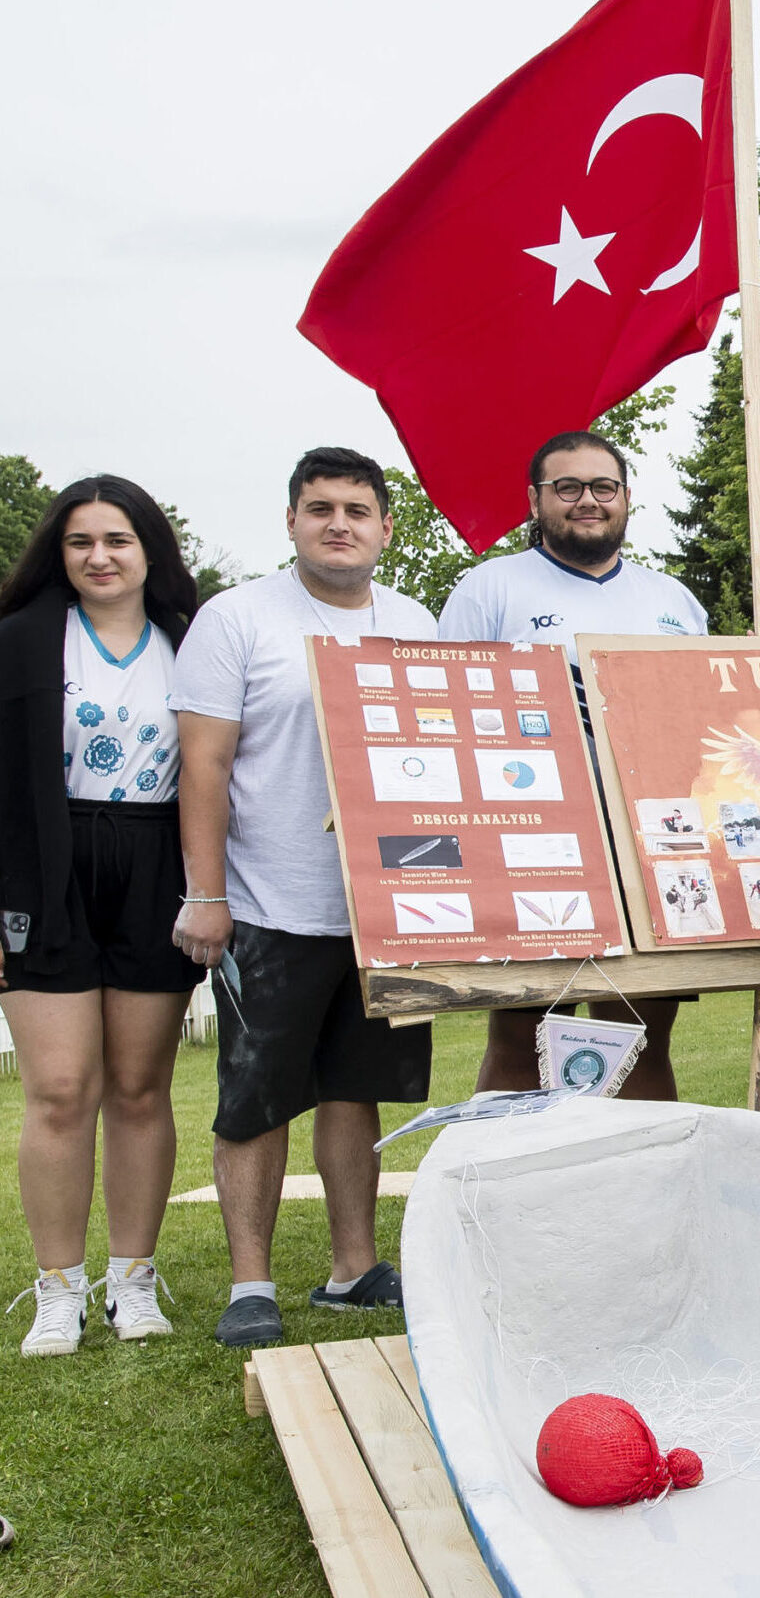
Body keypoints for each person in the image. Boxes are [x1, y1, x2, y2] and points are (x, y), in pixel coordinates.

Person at [171, 449, 439, 1348]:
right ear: (291, 520)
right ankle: (251, 1284)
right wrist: (205, 893)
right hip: (267, 902)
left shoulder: (415, 623)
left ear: (385, 527)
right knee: (256, 1098)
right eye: (319, 507)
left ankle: (352, 1269)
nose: (338, 523)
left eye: (357, 510)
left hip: (384, 908)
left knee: (355, 1091)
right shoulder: (237, 617)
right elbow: (203, 764)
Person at [437, 430, 709, 1100]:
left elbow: (699, 727)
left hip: (648, 842)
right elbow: (448, 718)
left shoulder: (673, 600)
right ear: (536, 501)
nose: (588, 500)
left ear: (626, 498)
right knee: (521, 1032)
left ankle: (641, 1170)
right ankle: (510, 1167)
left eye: (603, 486)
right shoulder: (489, 588)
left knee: (640, 1034)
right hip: (534, 841)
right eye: (568, 487)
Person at [0, 477, 205, 1356]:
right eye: (80, 540)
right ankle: (57, 1290)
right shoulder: (19, 639)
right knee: (58, 1089)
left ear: (149, 548)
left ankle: (132, 1280)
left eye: (117, 539)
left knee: (138, 1086)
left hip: (155, 862)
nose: (99, 556)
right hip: (43, 867)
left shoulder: (191, 640)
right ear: (59, 551)